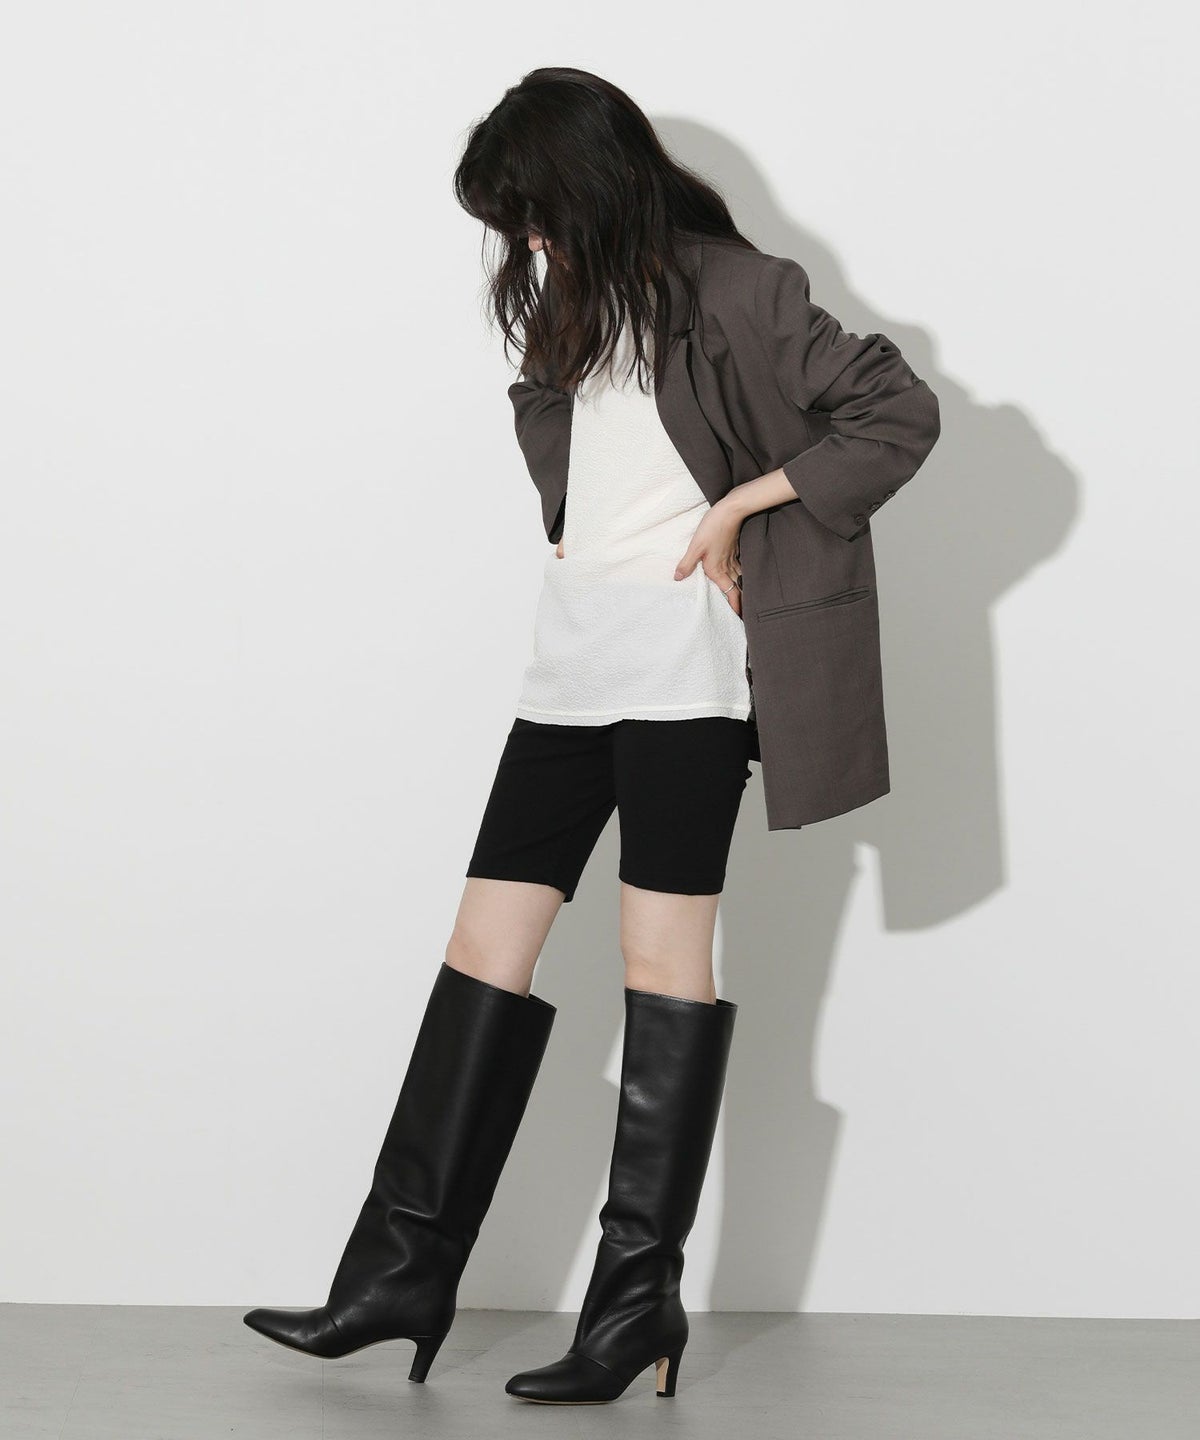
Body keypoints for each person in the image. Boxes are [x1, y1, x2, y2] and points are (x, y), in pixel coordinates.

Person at [243, 65, 941, 1406]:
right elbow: (570, 435)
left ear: (591, 183)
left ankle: (632, 1307)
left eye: (534, 213)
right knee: (483, 950)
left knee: (659, 960)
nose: (527, 241)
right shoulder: (573, 300)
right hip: (569, 670)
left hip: (687, 678)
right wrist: (571, 518)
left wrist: (745, 505)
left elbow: (897, 411)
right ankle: (398, 1272)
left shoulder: (741, 289)